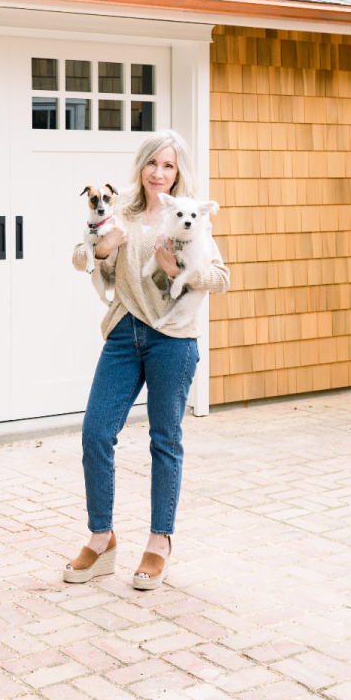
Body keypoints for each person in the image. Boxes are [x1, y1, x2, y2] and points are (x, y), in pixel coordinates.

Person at [65, 130, 230, 590]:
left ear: (178, 172)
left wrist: (180, 271)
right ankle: (102, 539)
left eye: (169, 165)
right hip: (124, 334)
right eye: (152, 163)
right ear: (141, 167)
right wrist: (101, 250)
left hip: (172, 340)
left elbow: (220, 278)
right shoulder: (120, 210)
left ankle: (159, 542)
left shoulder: (189, 215)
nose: (159, 173)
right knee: (96, 432)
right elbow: (79, 256)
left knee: (164, 440)